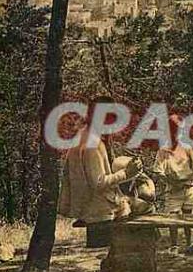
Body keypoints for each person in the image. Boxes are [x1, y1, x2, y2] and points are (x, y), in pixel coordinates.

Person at [58, 96, 152, 225]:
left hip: (86, 206)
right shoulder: (93, 145)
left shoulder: (82, 137)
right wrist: (127, 173)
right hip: (100, 210)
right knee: (147, 207)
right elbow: (98, 183)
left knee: (135, 201)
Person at [150, 114, 193, 255]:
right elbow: (158, 171)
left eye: (179, 131)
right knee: (173, 218)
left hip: (187, 188)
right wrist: (172, 183)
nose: (176, 134)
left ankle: (190, 244)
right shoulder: (163, 150)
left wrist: (189, 180)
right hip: (173, 189)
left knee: (188, 217)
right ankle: (174, 245)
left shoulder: (186, 147)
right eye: (173, 130)